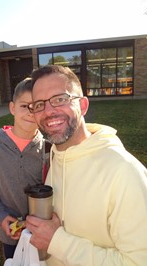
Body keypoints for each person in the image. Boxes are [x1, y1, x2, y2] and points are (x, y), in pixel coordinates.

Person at [26, 65, 147, 265]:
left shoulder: (124, 171)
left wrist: (57, 241)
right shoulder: (57, 156)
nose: (48, 111)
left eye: (60, 99)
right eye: (39, 104)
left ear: (82, 106)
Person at [0, 78, 51, 260]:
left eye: (37, 106)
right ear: (12, 108)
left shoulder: (49, 147)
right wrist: (0, 216)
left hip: (43, 233)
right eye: (25, 106)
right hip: (11, 233)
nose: (31, 113)